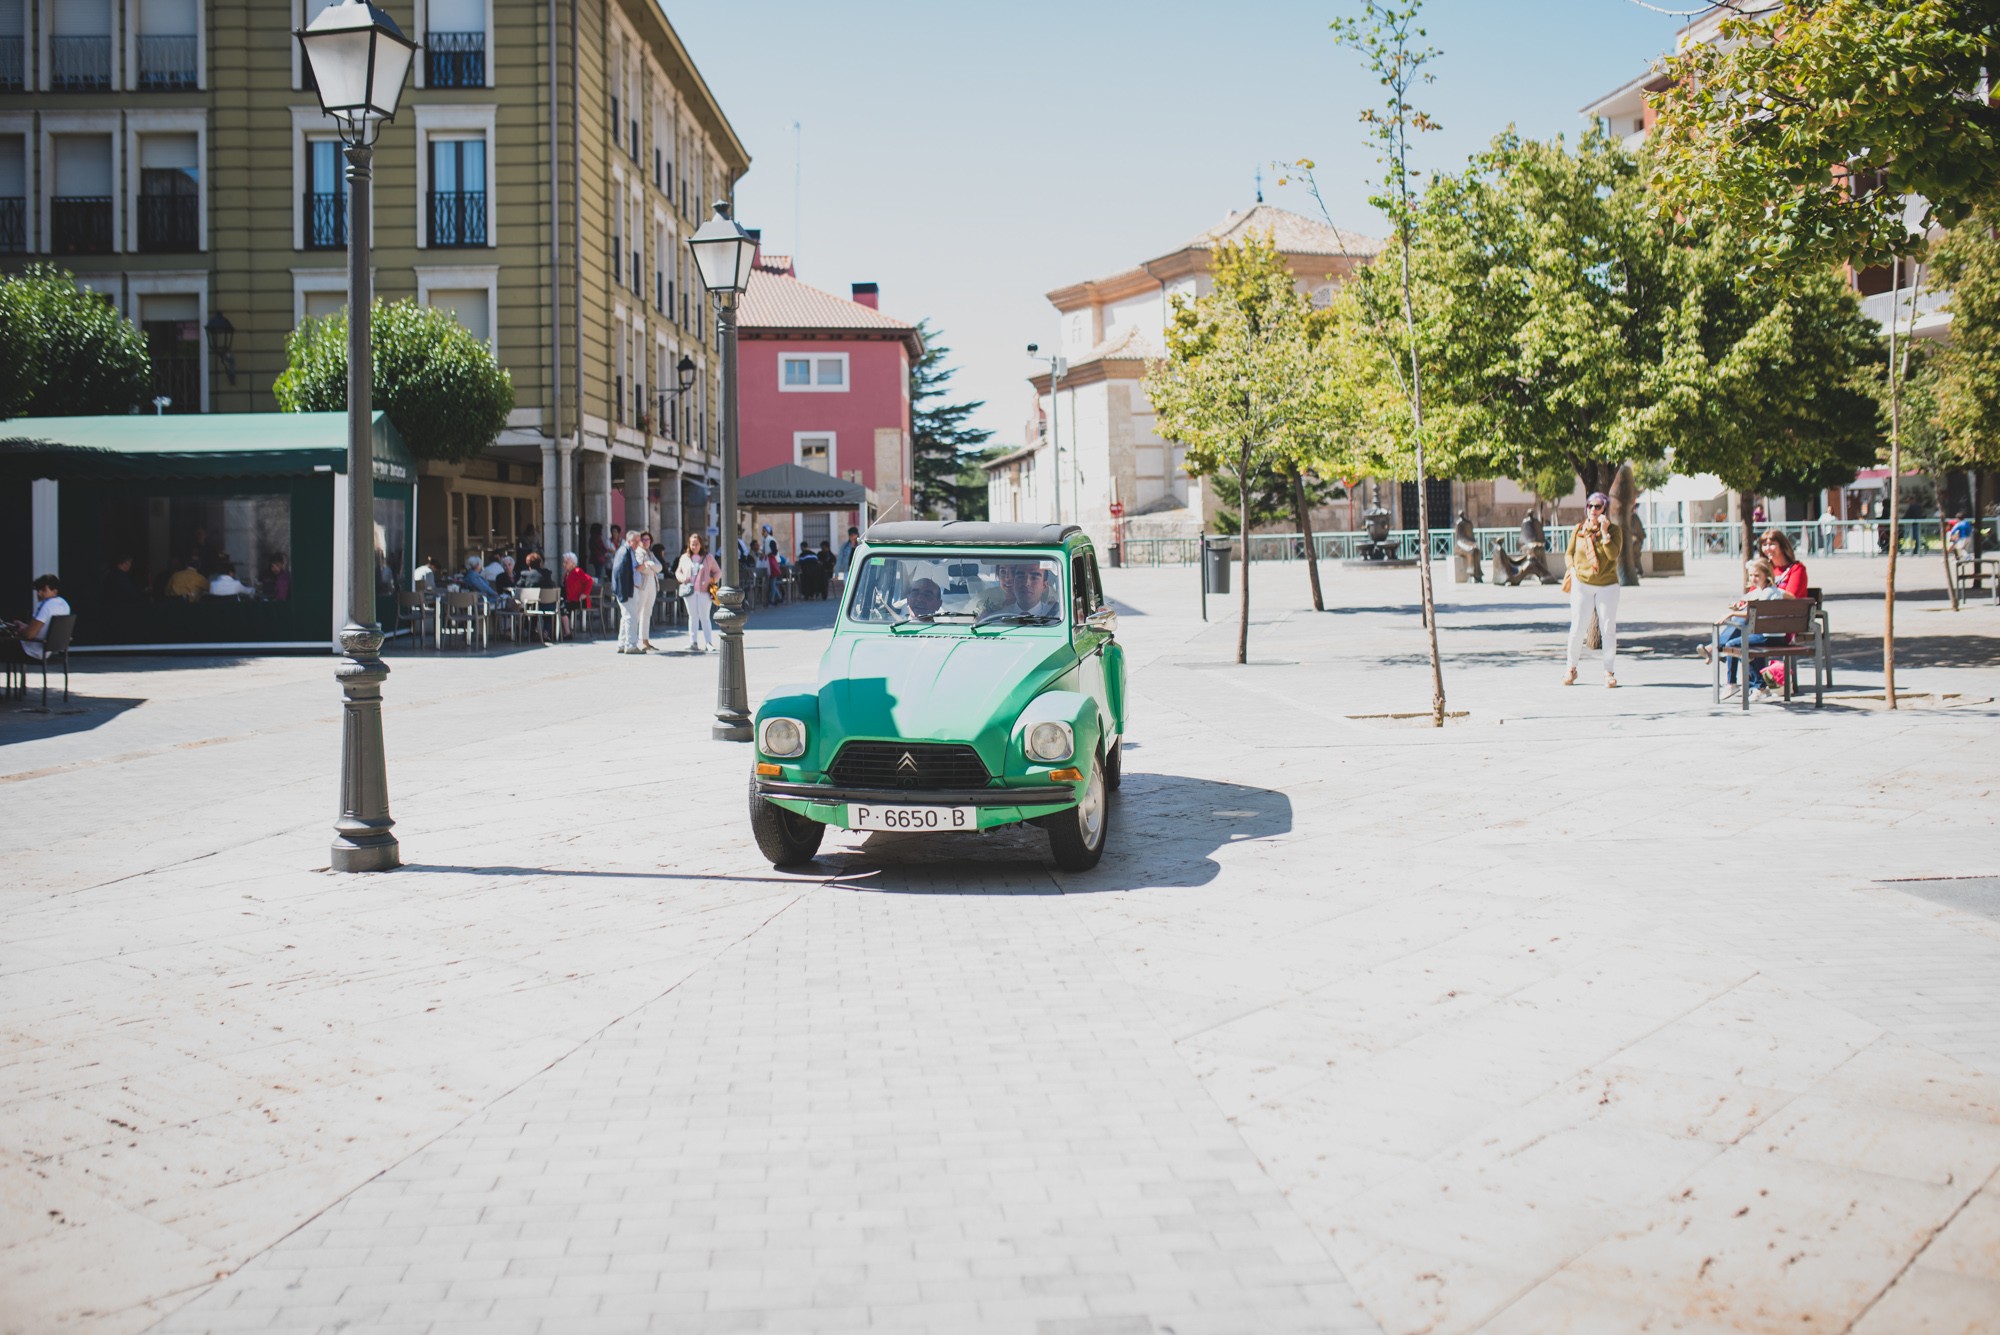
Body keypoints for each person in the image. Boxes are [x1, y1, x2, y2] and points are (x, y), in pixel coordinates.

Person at [1564, 491, 1622, 688]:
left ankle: (1608, 671)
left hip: (1607, 585)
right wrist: (1572, 570)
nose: (1593, 510)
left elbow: (1612, 554)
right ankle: (1571, 669)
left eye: (1598, 506)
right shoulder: (1579, 530)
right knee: (1577, 628)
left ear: (1605, 508)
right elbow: (1569, 553)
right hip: (1582, 583)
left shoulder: (1614, 531)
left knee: (1608, 629)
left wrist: (1605, 533)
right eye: (1590, 506)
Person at [1702, 557, 1784, 694]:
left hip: (1768, 636)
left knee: (1733, 645)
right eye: (1751, 575)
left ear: (1767, 575)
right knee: (1740, 644)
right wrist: (1738, 608)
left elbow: (1753, 613)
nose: (1753, 578)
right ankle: (1758, 685)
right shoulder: (1767, 591)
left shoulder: (1767, 593)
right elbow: (1750, 606)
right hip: (1773, 635)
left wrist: (1729, 615)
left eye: (1757, 575)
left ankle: (1734, 683)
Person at [5, 574, 70, 666]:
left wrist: (20, 630)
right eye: (38, 590)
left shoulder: (46, 606)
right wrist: (25, 626)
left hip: (32, 651)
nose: (39, 593)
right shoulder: (64, 605)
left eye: (44, 590)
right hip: (48, 651)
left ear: (54, 591)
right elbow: (41, 628)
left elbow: (29, 635)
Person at [676, 533, 720, 652]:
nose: (694, 546)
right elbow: (678, 572)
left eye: (696, 544)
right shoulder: (685, 557)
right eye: (692, 544)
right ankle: (693, 642)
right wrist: (682, 579)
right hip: (689, 591)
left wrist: (710, 581)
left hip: (704, 592)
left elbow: (718, 572)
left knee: (705, 617)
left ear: (701, 545)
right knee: (692, 616)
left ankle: (708, 642)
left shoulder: (708, 557)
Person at [611, 529, 644, 654]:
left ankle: (622, 643)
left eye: (638, 541)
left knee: (626, 618)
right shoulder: (625, 552)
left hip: (627, 589)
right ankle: (631, 645)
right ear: (629, 541)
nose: (637, 543)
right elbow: (621, 573)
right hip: (627, 589)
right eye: (635, 541)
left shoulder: (627, 551)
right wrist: (624, 592)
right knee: (631, 617)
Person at [634, 530, 663, 651]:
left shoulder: (650, 553)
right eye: (643, 540)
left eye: (648, 540)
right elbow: (642, 569)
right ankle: (633, 640)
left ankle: (645, 641)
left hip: (652, 583)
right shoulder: (638, 552)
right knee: (638, 612)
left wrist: (650, 565)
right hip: (643, 584)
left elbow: (659, 567)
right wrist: (651, 567)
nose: (646, 542)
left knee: (647, 612)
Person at [1759, 528, 1808, 599]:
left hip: (1790, 609)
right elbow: (1753, 593)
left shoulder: (1796, 569)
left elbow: (1791, 597)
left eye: (1772, 544)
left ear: (1782, 546)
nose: (1767, 548)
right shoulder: (1763, 569)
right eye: (1764, 544)